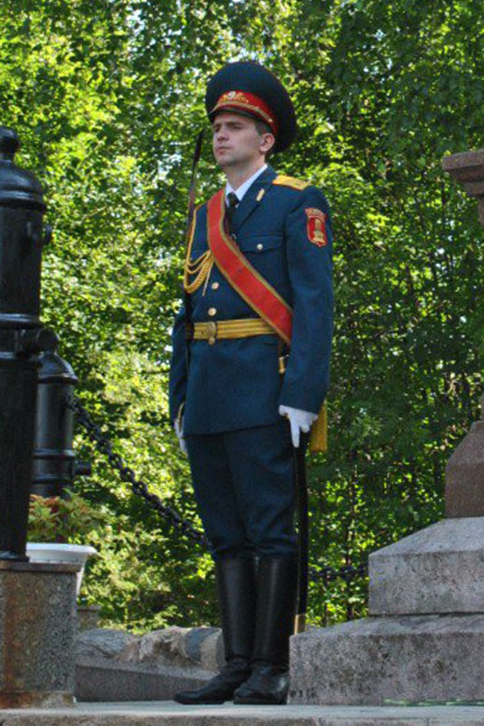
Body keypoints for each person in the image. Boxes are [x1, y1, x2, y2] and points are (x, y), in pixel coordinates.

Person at [168, 60, 333, 704]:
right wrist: (179, 399)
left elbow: (316, 305)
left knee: (269, 529)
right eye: (217, 126)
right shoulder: (205, 212)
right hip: (208, 393)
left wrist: (304, 395)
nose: (221, 136)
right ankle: (236, 665)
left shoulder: (297, 201)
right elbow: (186, 313)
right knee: (225, 533)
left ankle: (271, 666)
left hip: (269, 390)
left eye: (234, 127)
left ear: (265, 140)